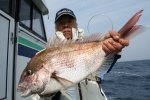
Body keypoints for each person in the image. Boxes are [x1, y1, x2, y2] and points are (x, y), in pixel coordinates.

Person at [31, 8, 129, 100]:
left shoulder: (89, 44)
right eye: (61, 23)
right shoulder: (42, 57)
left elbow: (103, 69)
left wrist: (112, 51)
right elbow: (35, 95)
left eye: (70, 21)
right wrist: (48, 93)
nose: (66, 25)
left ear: (76, 25)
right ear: (55, 29)